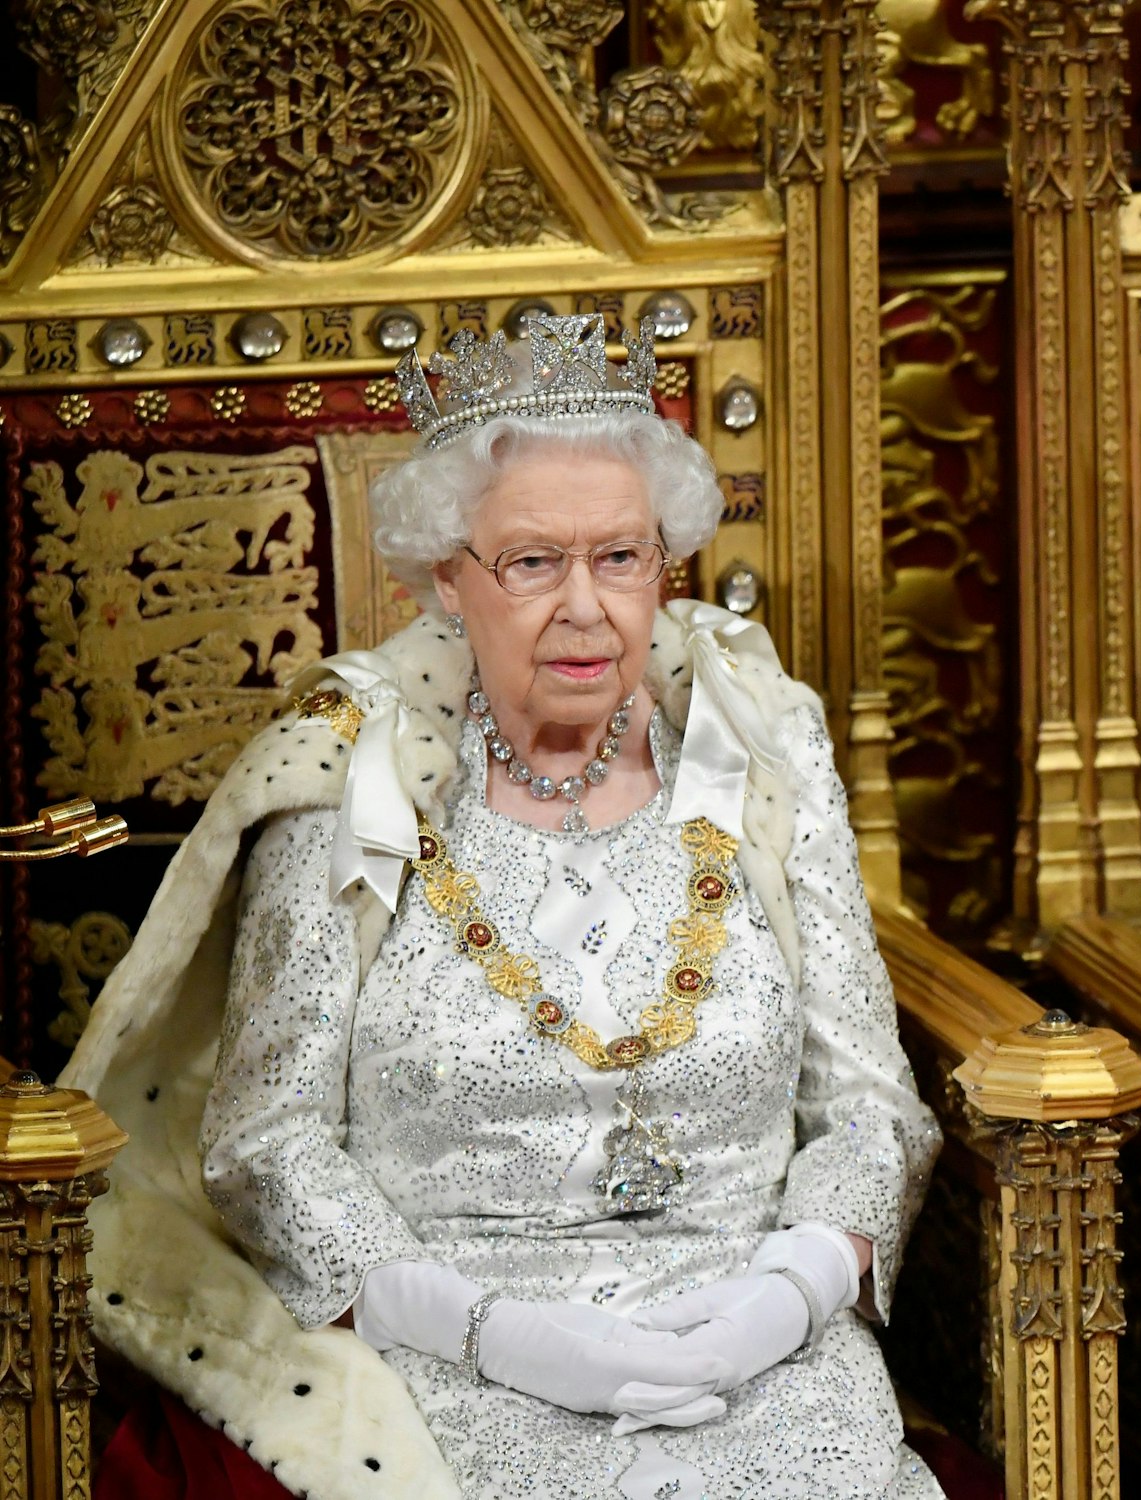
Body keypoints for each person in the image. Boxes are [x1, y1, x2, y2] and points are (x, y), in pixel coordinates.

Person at [62, 312, 944, 1500]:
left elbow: (871, 1105)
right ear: (444, 579)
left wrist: (783, 1299)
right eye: (532, 563)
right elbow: (265, 1145)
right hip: (449, 1370)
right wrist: (492, 1332)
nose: (585, 607)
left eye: (622, 557)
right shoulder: (345, 783)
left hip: (762, 1360)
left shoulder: (762, 753)